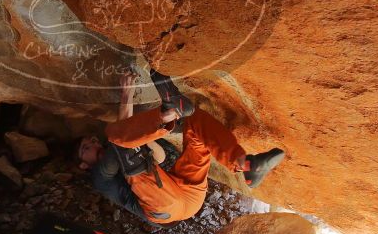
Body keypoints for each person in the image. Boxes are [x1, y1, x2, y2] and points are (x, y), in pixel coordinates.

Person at [77, 69, 285, 225]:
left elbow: (158, 156)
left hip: (187, 191)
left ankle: (244, 163)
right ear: (83, 165)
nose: (93, 143)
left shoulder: (118, 146)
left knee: (194, 123)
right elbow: (118, 144)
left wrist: (142, 135)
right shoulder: (99, 178)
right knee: (115, 136)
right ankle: (167, 114)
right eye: (85, 148)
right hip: (165, 208)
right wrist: (126, 98)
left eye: (92, 141)